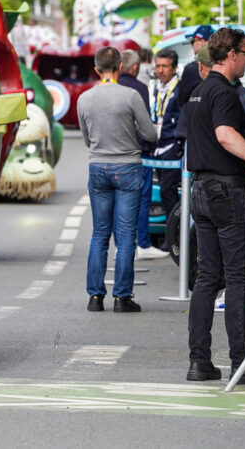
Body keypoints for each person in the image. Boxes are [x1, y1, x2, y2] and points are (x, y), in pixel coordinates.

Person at [185, 28, 245, 384]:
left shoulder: (197, 92)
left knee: (207, 277)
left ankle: (199, 361)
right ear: (233, 54)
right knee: (238, 277)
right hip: (227, 191)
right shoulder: (223, 92)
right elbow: (225, 135)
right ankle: (244, 361)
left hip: (201, 190)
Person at [77, 46, 157, 313]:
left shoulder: (84, 99)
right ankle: (122, 297)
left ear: (96, 69)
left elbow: (86, 138)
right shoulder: (131, 96)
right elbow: (149, 134)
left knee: (100, 233)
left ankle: (95, 297)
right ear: (121, 67)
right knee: (125, 236)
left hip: (98, 166)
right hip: (128, 168)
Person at [118, 49, 165, 260]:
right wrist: (152, 140)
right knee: (141, 200)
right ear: (135, 67)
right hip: (138, 154)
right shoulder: (140, 89)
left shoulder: (110, 87)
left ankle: (121, 246)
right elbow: (144, 125)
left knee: (117, 203)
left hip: (111, 156)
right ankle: (143, 243)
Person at [152, 49, 182, 225]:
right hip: (158, 147)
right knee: (165, 193)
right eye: (158, 66)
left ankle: (175, 235)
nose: (160, 70)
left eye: (164, 66)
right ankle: (172, 234)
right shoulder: (158, 89)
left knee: (167, 191)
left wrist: (177, 147)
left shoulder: (179, 91)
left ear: (174, 68)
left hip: (172, 147)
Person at [178, 24, 214, 108]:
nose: (192, 45)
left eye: (193, 41)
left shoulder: (191, 69)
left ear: (202, 42)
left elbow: (182, 100)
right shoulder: (223, 65)